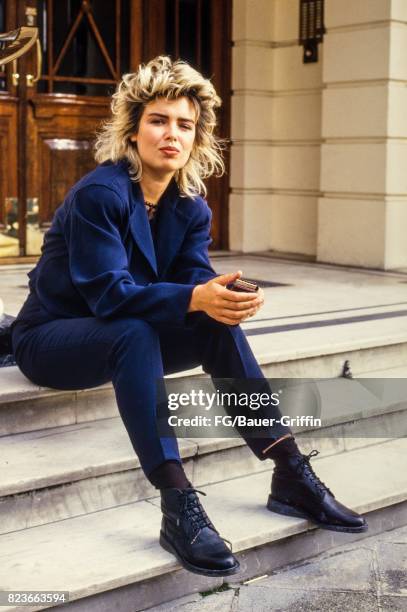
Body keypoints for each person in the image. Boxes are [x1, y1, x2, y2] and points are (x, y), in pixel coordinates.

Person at [11, 56, 367, 578]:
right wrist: (194, 296)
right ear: (133, 132)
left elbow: (193, 289)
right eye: (158, 120)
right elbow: (111, 297)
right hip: (50, 340)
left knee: (212, 320)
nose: (171, 134)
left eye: (184, 124)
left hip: (126, 334)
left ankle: (289, 471)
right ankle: (178, 505)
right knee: (132, 329)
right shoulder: (98, 195)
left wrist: (225, 297)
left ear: (196, 137)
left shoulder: (190, 206)